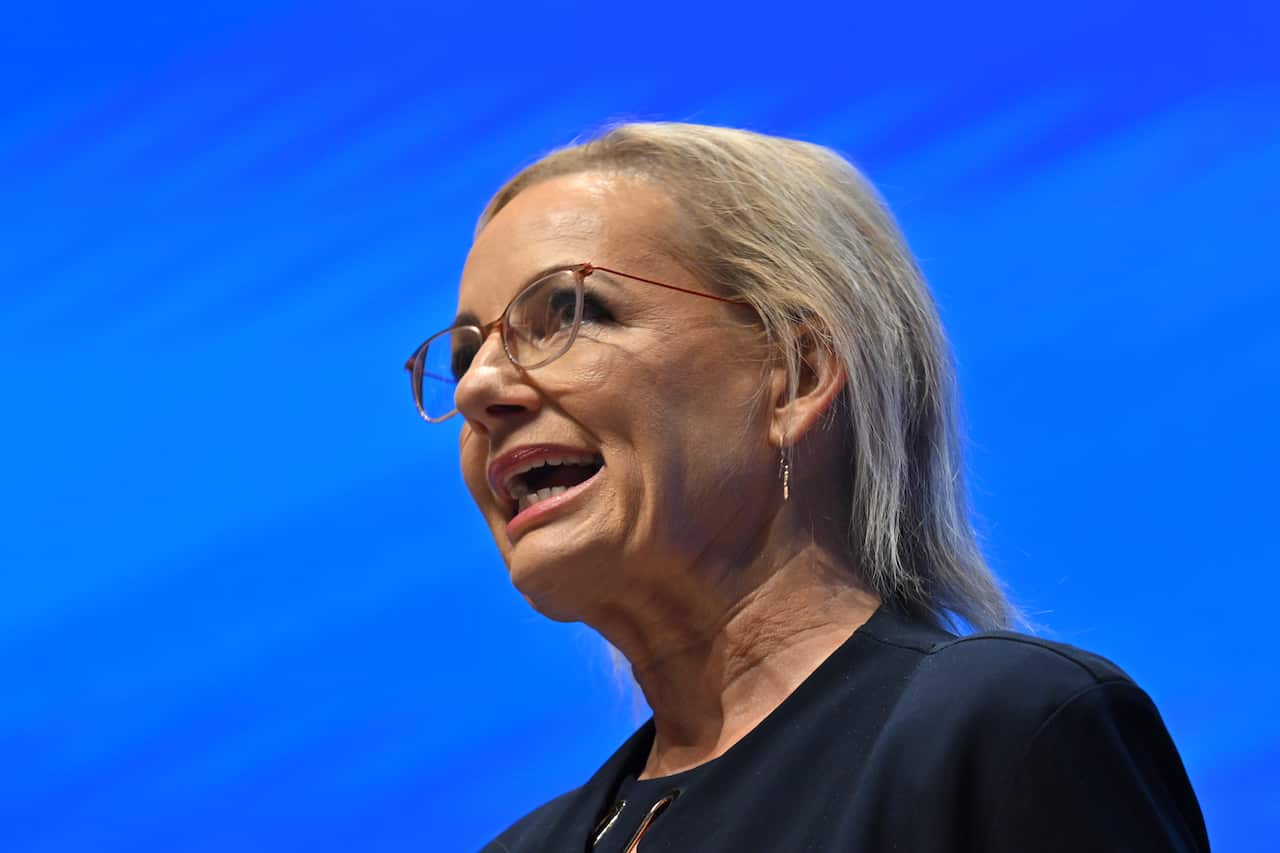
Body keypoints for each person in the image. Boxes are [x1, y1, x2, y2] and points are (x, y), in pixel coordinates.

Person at [405, 123, 1209, 851]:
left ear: (796, 376)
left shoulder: (1001, 733)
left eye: (572, 312)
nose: (480, 387)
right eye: (470, 351)